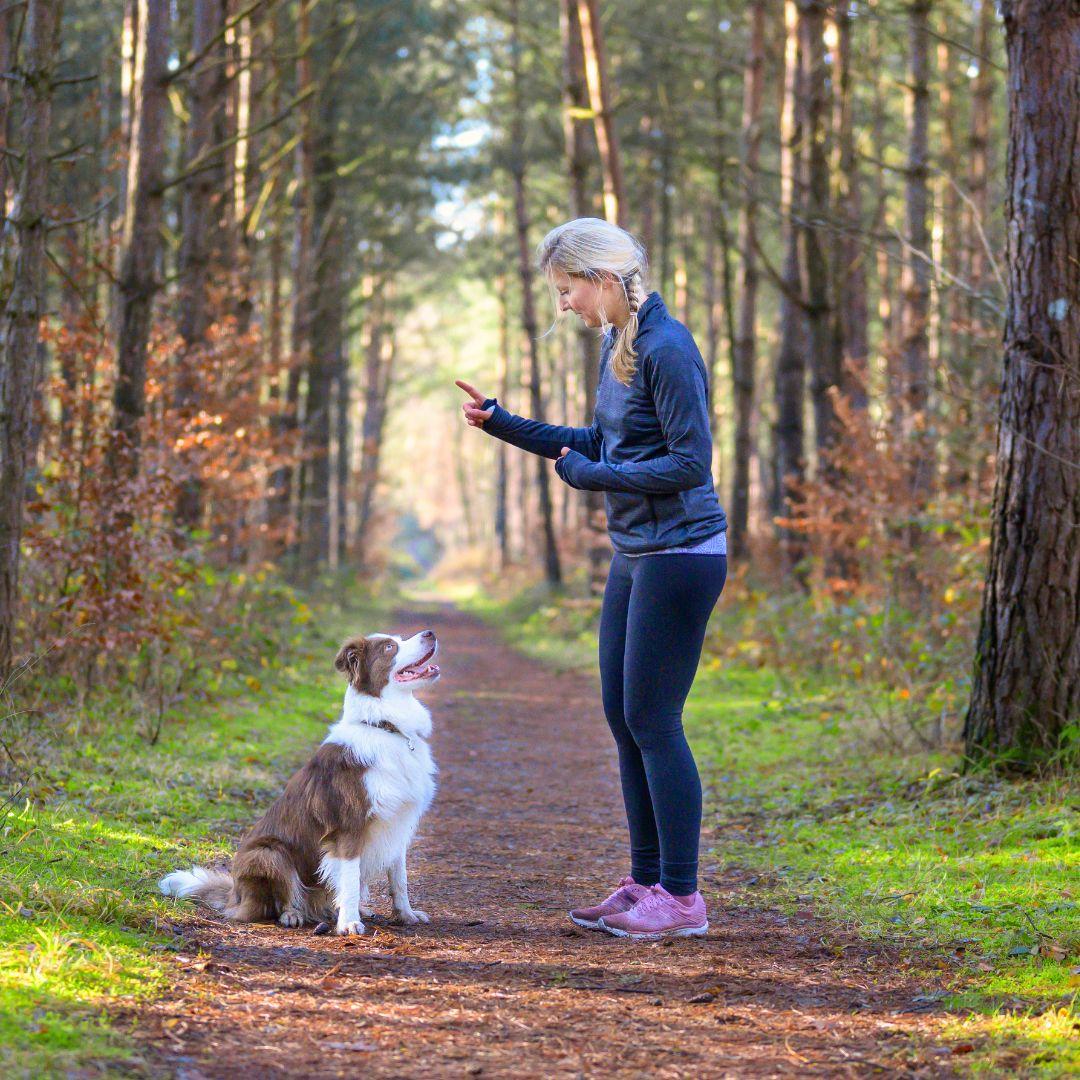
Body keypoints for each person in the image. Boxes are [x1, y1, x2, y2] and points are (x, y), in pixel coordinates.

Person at [456, 217, 727, 941]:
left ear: (604, 279)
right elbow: (599, 442)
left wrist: (592, 477)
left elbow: (690, 463)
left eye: (567, 289)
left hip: (682, 553)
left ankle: (683, 897)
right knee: (623, 717)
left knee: (655, 721)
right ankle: (644, 884)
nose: (564, 305)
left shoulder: (668, 347)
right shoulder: (623, 343)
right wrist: (503, 423)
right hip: (637, 551)